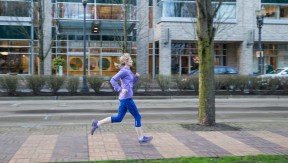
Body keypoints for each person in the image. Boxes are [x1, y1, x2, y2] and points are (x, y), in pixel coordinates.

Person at [90, 53, 153, 144]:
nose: (132, 61)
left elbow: (130, 84)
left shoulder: (127, 70)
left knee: (119, 118)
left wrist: (136, 78)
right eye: (130, 60)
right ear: (126, 62)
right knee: (137, 117)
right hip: (127, 99)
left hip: (124, 98)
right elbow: (112, 80)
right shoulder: (124, 71)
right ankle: (141, 138)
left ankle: (97, 123)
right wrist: (120, 89)